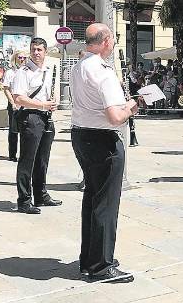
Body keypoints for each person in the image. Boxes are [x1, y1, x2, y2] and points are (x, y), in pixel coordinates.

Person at [70, 23, 137, 283]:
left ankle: (90, 257)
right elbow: (115, 116)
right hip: (102, 140)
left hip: (82, 135)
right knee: (106, 203)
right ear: (107, 41)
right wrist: (133, 105)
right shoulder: (103, 71)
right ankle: (101, 266)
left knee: (93, 198)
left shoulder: (78, 67)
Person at [11, 37, 61, 214]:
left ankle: (41, 195)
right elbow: (18, 98)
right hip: (31, 117)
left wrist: (53, 101)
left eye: (39, 49)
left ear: (45, 51)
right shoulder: (23, 72)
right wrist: (42, 105)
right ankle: (24, 200)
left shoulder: (48, 70)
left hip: (46, 117)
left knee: (42, 160)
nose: (36, 53)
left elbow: (49, 93)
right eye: (33, 49)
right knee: (27, 160)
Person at [2, 51, 27, 162]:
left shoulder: (27, 71)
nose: (22, 59)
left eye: (24, 57)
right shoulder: (10, 72)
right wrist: (12, 103)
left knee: (25, 130)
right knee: (13, 130)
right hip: (14, 103)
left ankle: (24, 154)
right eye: (20, 57)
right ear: (15, 58)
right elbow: (6, 89)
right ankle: (12, 154)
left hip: (25, 103)